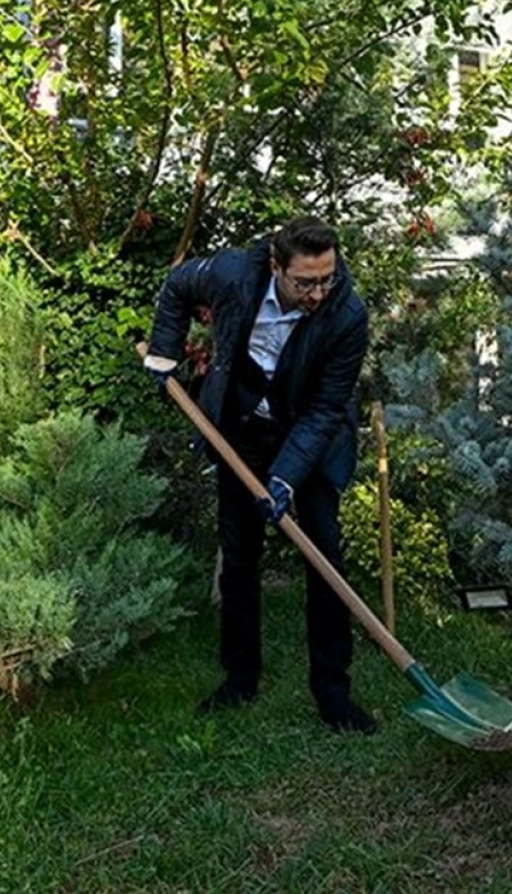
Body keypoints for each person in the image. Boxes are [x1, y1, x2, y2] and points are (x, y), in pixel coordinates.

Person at [144, 216, 375, 734]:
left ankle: (333, 690)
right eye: (305, 282)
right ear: (276, 267)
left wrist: (285, 479)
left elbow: (324, 411)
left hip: (310, 437)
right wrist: (164, 351)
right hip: (241, 432)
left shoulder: (347, 314)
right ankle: (240, 678)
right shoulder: (231, 274)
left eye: (327, 279)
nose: (318, 292)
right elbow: (178, 286)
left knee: (325, 559)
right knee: (240, 557)